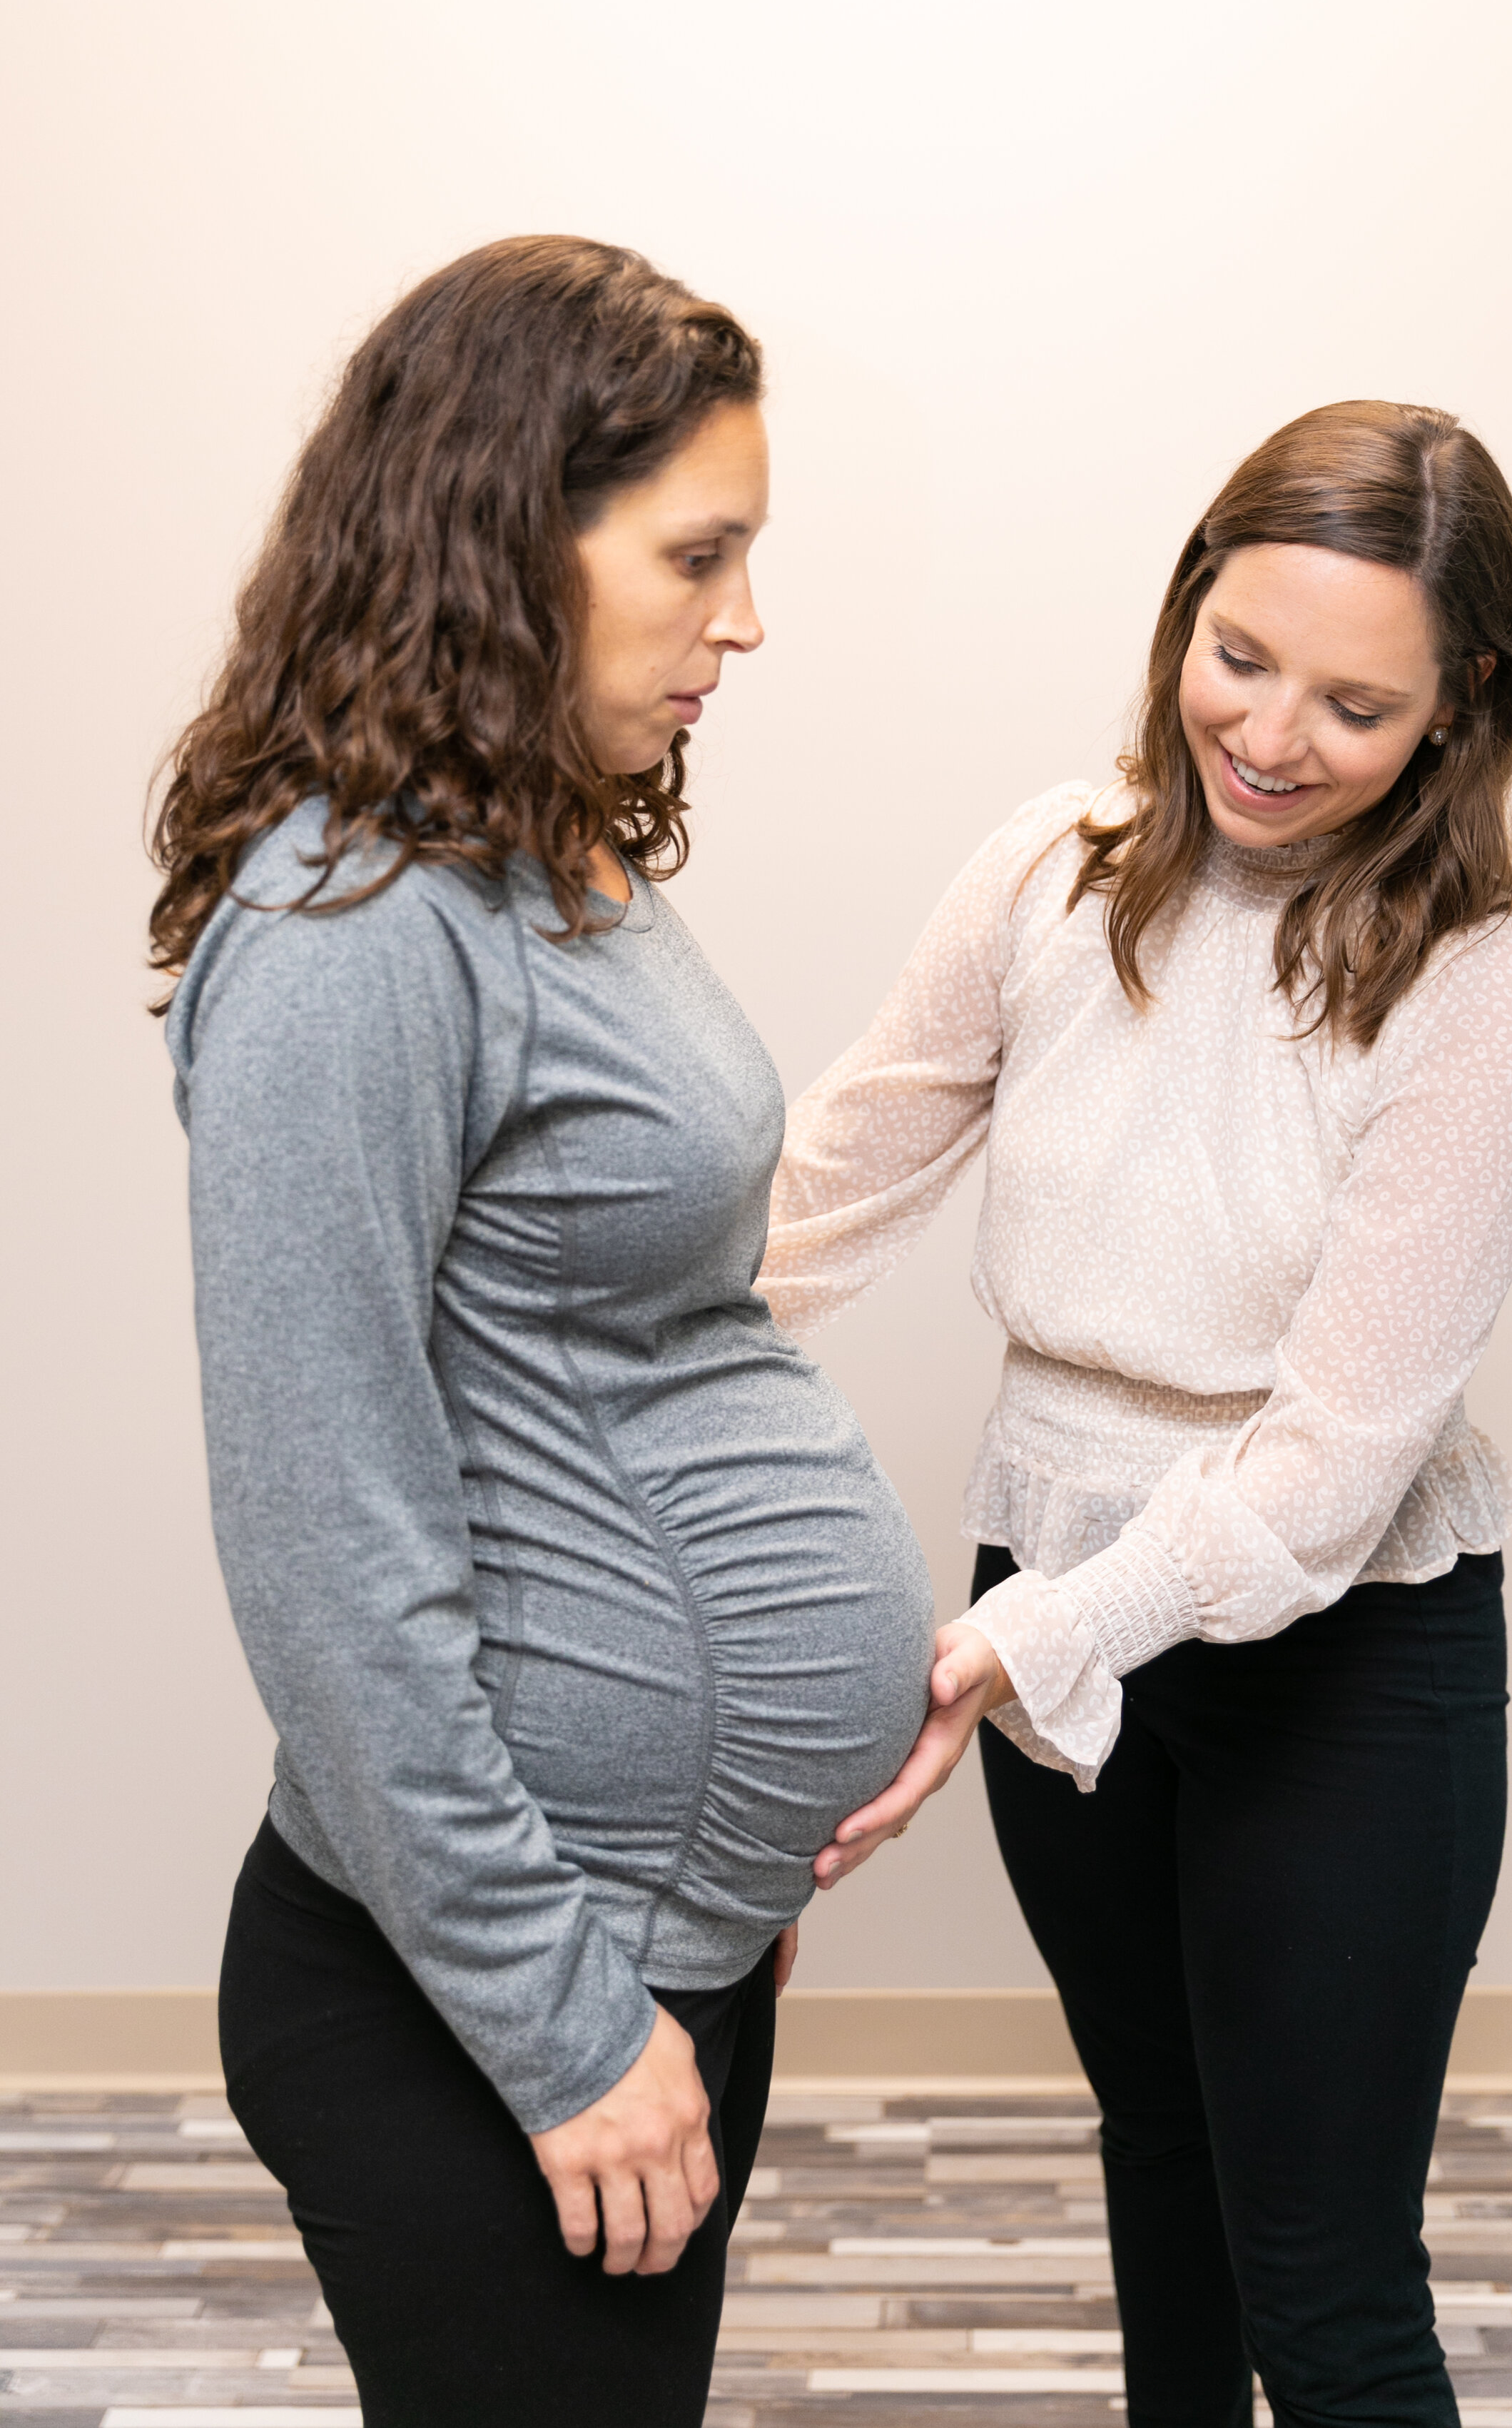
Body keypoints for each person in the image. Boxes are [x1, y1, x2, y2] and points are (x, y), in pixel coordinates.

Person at [148, 236, 933, 2428]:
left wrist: (723, 1843)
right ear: (510, 532)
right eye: (698, 556)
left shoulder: (535, 856)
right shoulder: (350, 931)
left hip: (644, 1924)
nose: (743, 620)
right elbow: (330, 1553)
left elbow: (622, 1335)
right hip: (482, 1989)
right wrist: (565, 2017)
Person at [761, 401, 1512, 2428]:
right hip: (1050, 1604)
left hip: (1335, 1655)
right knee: (1166, 2164)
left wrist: (1023, 1644)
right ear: (1184, 605)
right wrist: (541, 1328)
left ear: (1460, 713)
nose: (1274, 737)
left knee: (1325, 2282)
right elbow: (827, 1177)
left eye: (1356, 704)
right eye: (1240, 657)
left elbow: (1327, 1465)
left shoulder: (1483, 979)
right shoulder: (1057, 865)